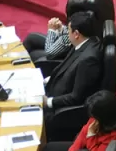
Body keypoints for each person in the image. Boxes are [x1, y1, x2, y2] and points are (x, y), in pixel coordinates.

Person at [42, 11, 103, 140]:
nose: (67, 33)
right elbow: (66, 67)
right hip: (53, 90)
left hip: (60, 110)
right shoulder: (85, 42)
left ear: (76, 34)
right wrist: (46, 80)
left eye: (68, 30)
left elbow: (76, 97)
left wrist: (48, 102)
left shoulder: (89, 60)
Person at [40, 90, 116, 151]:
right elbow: (83, 133)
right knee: (48, 147)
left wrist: (90, 136)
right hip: (84, 146)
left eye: (95, 117)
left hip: (89, 147)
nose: (92, 119)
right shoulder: (97, 119)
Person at [24, 0, 94, 63]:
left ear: (67, 14)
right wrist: (61, 29)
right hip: (66, 50)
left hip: (62, 59)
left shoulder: (70, 36)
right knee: (31, 37)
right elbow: (67, 32)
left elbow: (49, 53)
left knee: (33, 54)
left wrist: (51, 30)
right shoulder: (85, 22)